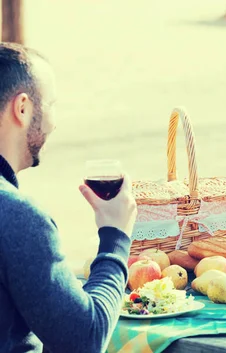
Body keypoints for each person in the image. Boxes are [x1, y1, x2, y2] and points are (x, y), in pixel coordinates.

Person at [0, 43, 137, 352]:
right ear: (22, 108)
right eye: (51, 105)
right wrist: (115, 236)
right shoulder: (18, 217)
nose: (54, 122)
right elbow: (85, 339)